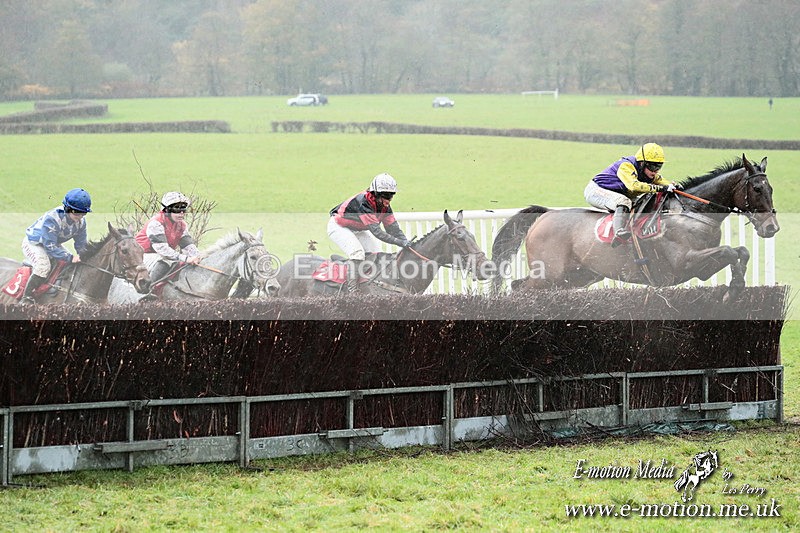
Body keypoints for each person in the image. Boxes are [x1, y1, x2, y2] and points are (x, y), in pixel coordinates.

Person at [328, 173, 411, 292]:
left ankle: (367, 285)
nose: (389, 199)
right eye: (386, 195)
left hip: (357, 229)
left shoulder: (385, 207)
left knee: (375, 253)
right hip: (338, 227)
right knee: (357, 254)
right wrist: (400, 242)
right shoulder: (364, 203)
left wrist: (406, 242)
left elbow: (393, 229)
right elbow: (377, 232)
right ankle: (352, 291)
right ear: (376, 193)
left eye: (391, 195)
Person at [584, 143, 681, 241]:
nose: (655, 171)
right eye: (652, 166)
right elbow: (633, 186)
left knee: (642, 202)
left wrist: (673, 186)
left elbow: (661, 181)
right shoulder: (626, 166)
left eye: (658, 166)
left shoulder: (648, 172)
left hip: (616, 192)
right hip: (597, 190)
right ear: (642, 163)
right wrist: (660, 188)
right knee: (624, 201)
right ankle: (619, 231)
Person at [20, 188, 92, 304]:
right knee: (43, 267)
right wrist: (70, 257)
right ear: (67, 208)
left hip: (53, 243)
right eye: (77, 213)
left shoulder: (81, 223)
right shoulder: (52, 218)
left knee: (67, 263)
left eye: (83, 213)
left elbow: (81, 244)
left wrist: (83, 256)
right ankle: (26, 298)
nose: (80, 217)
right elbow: (50, 246)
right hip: (34, 243)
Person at [135, 191, 201, 284]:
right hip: (140, 255)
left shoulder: (182, 225)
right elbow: (163, 250)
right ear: (167, 210)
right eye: (177, 210)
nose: (181, 213)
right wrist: (186, 258)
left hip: (158, 255)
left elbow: (189, 246)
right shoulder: (156, 223)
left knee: (181, 264)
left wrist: (197, 257)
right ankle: (148, 291)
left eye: (183, 210)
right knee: (166, 262)